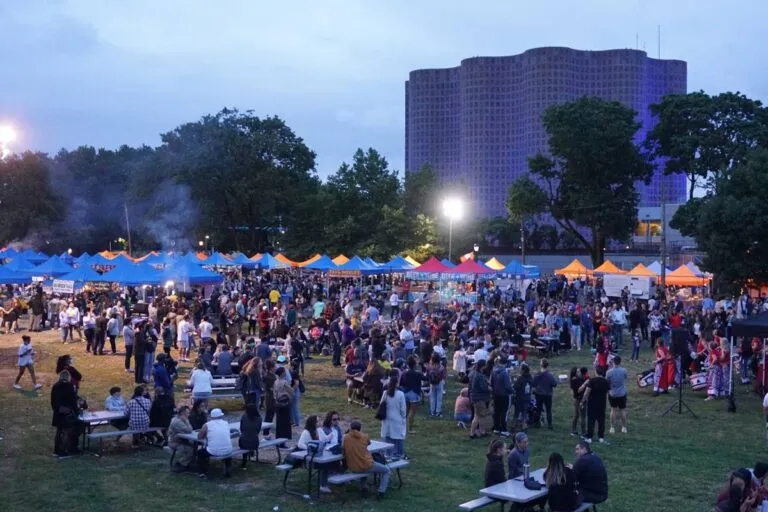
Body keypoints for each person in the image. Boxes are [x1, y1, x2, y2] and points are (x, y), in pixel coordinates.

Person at [342, 420, 391, 499]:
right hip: (366, 466)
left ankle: (363, 487)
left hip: (353, 467)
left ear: (350, 428)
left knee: (361, 463)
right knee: (386, 470)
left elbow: (342, 448)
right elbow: (368, 443)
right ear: (360, 429)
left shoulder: (345, 437)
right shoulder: (364, 436)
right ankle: (381, 492)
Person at [51, 370, 81, 457]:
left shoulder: (56, 386)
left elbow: (53, 401)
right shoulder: (69, 386)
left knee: (59, 431)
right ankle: (63, 451)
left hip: (57, 412)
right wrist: (76, 411)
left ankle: (56, 450)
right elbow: (73, 400)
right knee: (67, 431)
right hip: (67, 412)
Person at [197, 408, 234, 478]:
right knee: (225, 447)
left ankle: (203, 472)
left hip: (214, 451)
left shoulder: (207, 425)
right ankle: (228, 470)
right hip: (228, 450)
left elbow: (199, 436)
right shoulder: (226, 423)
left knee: (200, 452)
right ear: (221, 416)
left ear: (211, 417)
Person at [380, 376, 407, 460]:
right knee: (399, 437)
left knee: (388, 437)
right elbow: (403, 409)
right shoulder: (400, 394)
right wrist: (403, 417)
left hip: (387, 418)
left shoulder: (385, 393)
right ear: (396, 383)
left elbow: (381, 405)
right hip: (397, 418)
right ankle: (399, 454)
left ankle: (388, 454)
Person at [580, 366, 609, 444]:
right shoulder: (606, 381)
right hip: (602, 404)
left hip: (592, 404)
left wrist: (583, 401)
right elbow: (607, 392)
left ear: (596, 372)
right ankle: (601, 437)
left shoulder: (592, 381)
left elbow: (586, 393)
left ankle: (589, 437)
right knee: (601, 421)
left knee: (591, 421)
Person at [491, 355, 513, 436]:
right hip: (504, 395)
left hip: (496, 394)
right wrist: (511, 390)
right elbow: (508, 386)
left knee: (497, 411)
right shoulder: (504, 373)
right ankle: (503, 429)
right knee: (504, 412)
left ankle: (496, 428)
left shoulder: (493, 371)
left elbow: (492, 383)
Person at [606, 355, 629, 434]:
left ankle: (612, 428)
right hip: (622, 393)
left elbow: (607, 382)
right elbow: (625, 378)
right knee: (622, 410)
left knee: (613, 410)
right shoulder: (624, 370)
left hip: (613, 393)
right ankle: (624, 427)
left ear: (613, 362)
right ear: (620, 362)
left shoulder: (609, 372)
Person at [168, 405, 195, 472]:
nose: (189, 414)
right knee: (191, 450)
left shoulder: (181, 419)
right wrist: (186, 421)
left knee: (194, 447)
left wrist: (186, 421)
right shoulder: (177, 421)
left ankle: (187, 463)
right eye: (188, 413)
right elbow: (189, 430)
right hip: (174, 442)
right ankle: (180, 464)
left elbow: (189, 429)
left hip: (181, 440)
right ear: (182, 413)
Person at [400, 356, 423, 434]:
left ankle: (402, 428)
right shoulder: (417, 373)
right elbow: (425, 378)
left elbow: (401, 383)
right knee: (412, 412)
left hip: (405, 392)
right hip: (414, 393)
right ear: (414, 365)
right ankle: (410, 429)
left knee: (405, 412)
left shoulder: (404, 373)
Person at [533, 358, 558, 429]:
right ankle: (550, 425)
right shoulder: (550, 375)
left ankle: (537, 424)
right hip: (548, 394)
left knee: (538, 409)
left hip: (539, 394)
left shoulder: (537, 374)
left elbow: (533, 384)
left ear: (540, 365)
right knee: (548, 410)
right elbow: (554, 384)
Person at [469, 359, 491, 439]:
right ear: (483, 366)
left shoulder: (474, 373)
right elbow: (483, 388)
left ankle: (481, 431)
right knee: (478, 416)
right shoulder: (480, 376)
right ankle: (473, 433)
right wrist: (489, 388)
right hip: (480, 398)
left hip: (474, 397)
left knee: (479, 415)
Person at [238, 403, 263, 469]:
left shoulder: (244, 416)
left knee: (243, 439)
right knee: (250, 437)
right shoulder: (259, 418)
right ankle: (251, 452)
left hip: (244, 442)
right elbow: (258, 430)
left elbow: (241, 429)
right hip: (255, 442)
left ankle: (244, 461)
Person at [273, 367, 294, 440]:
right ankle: (284, 438)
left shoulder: (276, 382)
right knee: (285, 422)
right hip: (284, 403)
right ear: (282, 373)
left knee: (279, 422)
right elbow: (291, 390)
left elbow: (274, 392)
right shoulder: (284, 382)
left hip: (278, 403)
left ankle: (278, 437)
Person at [569, 367, 589, 438]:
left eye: (579, 371)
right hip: (580, 400)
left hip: (577, 400)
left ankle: (574, 431)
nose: (579, 372)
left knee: (576, 415)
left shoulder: (579, 379)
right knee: (582, 416)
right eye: (578, 371)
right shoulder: (575, 380)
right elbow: (578, 390)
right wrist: (585, 383)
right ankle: (583, 433)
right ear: (575, 373)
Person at [514, 363, 533, 430]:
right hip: (527, 397)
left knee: (517, 412)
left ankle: (515, 424)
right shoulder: (530, 378)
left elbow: (516, 387)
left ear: (523, 370)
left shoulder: (520, 378)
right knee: (524, 412)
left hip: (520, 397)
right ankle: (524, 425)